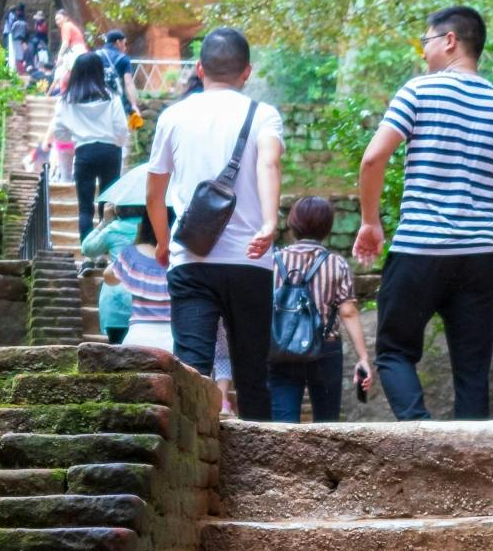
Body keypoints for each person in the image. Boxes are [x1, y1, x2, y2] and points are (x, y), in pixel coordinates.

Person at [354, 3, 493, 421]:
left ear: (449, 41)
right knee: (472, 370)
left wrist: (371, 222)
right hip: (479, 256)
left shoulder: (419, 91)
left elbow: (373, 160)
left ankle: (420, 434)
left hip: (420, 249)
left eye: (425, 42)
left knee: (393, 351)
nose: (422, 53)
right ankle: (472, 465)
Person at [146, 25, 284, 419]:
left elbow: (154, 195)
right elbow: (268, 163)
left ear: (199, 69)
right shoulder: (263, 115)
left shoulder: (173, 117)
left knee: (192, 368)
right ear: (247, 72)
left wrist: (161, 242)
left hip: (192, 257)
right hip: (250, 261)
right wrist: (269, 222)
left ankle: (192, 459)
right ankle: (264, 465)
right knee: (253, 371)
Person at [269, 195, 372, 424]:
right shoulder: (337, 263)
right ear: (327, 227)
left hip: (281, 347)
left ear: (292, 224)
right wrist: (363, 357)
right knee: (327, 425)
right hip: (326, 348)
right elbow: (348, 312)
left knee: (282, 426)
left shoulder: (273, 261)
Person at [79, 175, 172, 350]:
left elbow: (88, 249)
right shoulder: (165, 235)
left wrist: (104, 222)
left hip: (117, 301)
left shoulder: (116, 230)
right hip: (160, 313)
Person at [48, 50, 131, 238]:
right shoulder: (111, 97)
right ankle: (104, 251)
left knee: (85, 208)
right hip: (110, 152)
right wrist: (116, 144)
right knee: (108, 205)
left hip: (84, 152)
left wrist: (77, 137)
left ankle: (88, 255)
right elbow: (121, 129)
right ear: (99, 71)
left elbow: (59, 132)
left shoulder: (67, 100)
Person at [49, 10, 89, 94]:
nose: (57, 22)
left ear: (66, 18)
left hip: (76, 50)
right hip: (79, 50)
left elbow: (65, 43)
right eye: (56, 20)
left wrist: (59, 55)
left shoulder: (66, 26)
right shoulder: (70, 25)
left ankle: (66, 93)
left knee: (68, 73)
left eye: (59, 19)